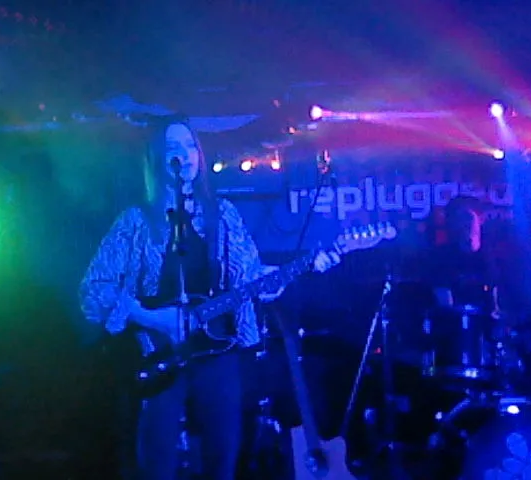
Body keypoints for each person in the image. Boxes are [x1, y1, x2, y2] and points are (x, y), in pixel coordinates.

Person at [78, 117, 339, 480]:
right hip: (158, 354)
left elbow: (252, 278)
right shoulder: (136, 221)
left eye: (189, 147)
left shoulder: (223, 214)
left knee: (223, 456)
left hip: (217, 353)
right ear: (157, 158)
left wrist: (303, 266)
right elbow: (94, 290)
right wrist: (154, 318)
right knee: (156, 462)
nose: (183, 155)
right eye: (173, 148)